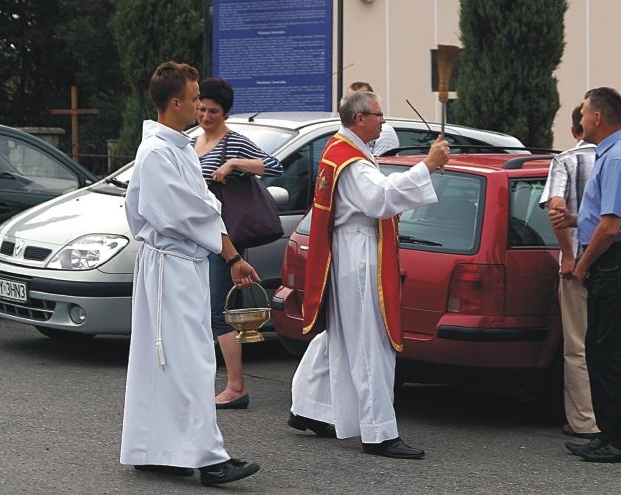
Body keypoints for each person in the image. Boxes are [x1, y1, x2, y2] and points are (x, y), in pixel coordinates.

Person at [287, 90, 450, 459]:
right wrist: (427, 166)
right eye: (378, 114)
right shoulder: (352, 162)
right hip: (360, 254)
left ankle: (311, 407)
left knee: (342, 337)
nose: (383, 120)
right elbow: (380, 198)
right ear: (359, 119)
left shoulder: (339, 148)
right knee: (371, 342)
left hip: (349, 251)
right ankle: (379, 432)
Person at [120, 61, 260, 486]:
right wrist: (233, 255)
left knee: (164, 359)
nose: (201, 105)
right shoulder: (159, 153)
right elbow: (192, 213)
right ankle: (209, 458)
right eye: (196, 98)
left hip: (180, 265)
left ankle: (151, 448)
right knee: (190, 361)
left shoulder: (177, 147)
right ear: (176, 102)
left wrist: (224, 245)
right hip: (171, 267)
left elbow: (199, 209)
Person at [540, 104, 621, 441]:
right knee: (603, 350)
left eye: (584, 114)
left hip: (600, 261)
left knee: (592, 350)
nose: (582, 121)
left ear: (594, 119)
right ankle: (609, 434)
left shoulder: (606, 159)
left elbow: (605, 225)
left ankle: (596, 428)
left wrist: (575, 262)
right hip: (616, 258)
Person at [190, 77, 283, 409]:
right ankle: (206, 381)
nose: (204, 116)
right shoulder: (193, 141)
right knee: (199, 311)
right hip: (196, 237)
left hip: (225, 237)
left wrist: (234, 164)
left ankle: (236, 387)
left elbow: (274, 165)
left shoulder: (235, 142)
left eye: (212, 111)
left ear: (225, 113)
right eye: (200, 109)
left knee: (219, 311)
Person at [347, 82, 400, 156]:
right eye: (350, 100)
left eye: (360, 100)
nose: (354, 105)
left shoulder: (383, 131)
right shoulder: (347, 130)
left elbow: (381, 165)